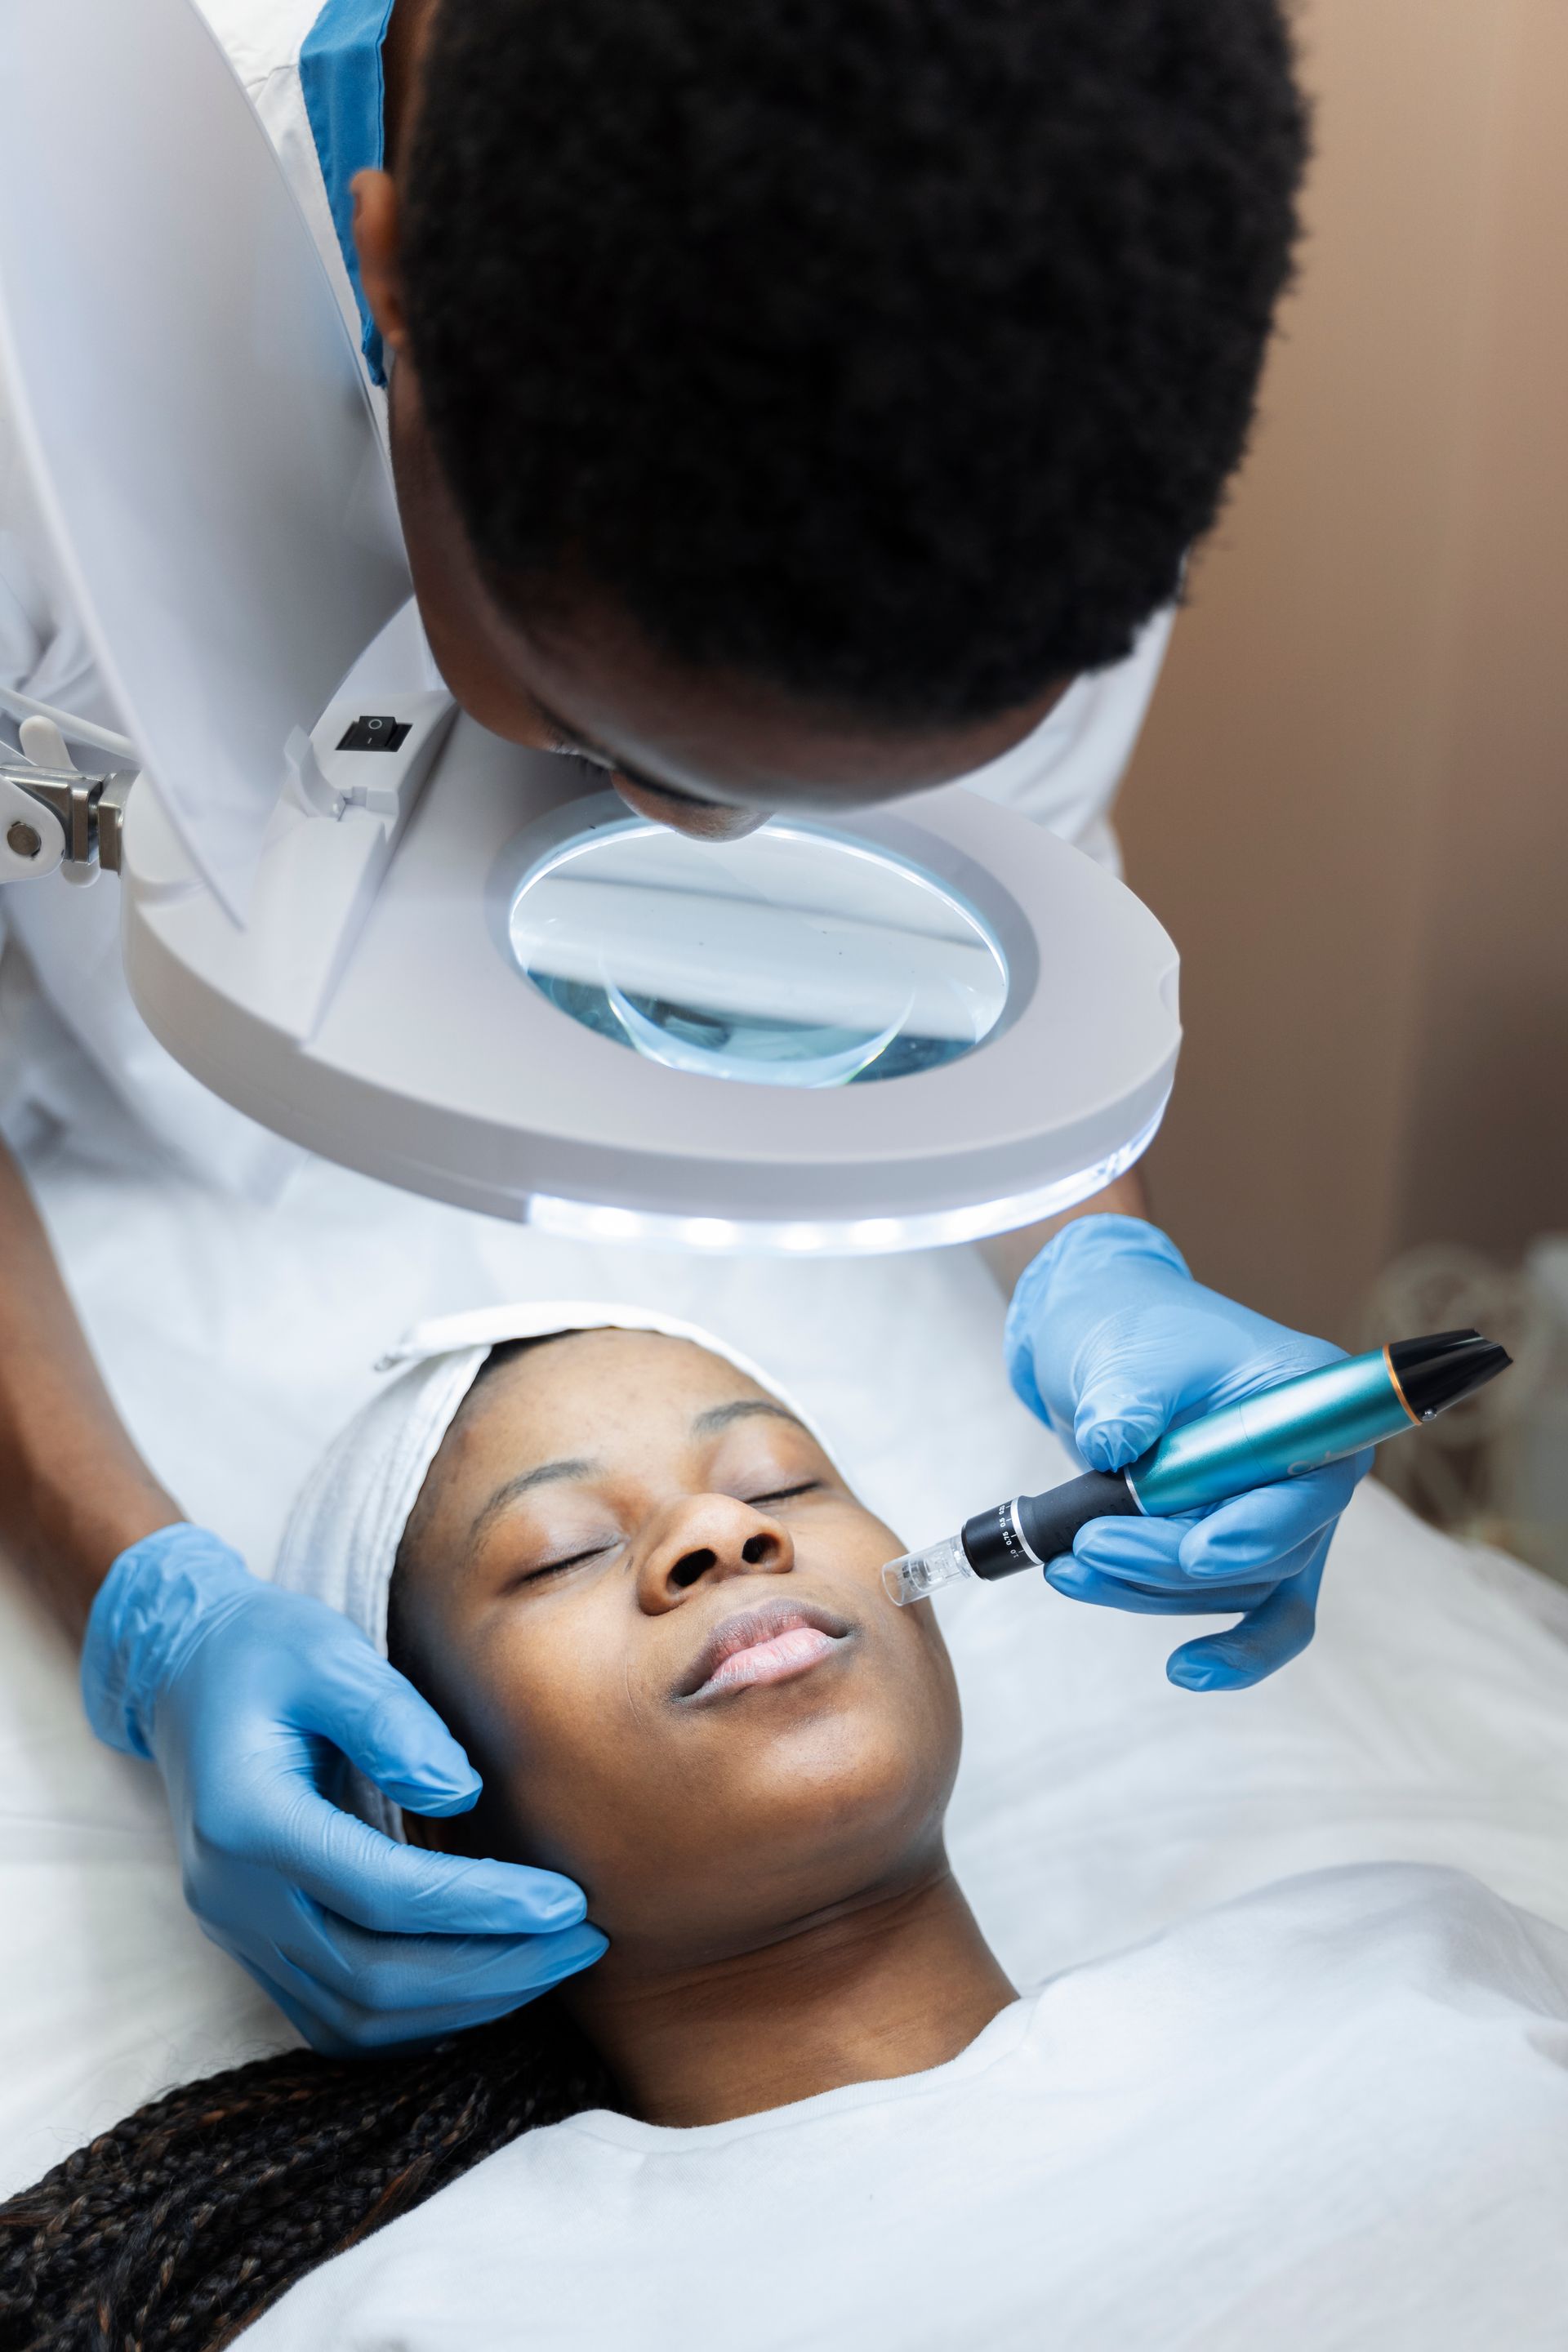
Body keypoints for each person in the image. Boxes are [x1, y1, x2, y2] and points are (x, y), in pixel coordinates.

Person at [0, 0, 1365, 2054]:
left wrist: (1100, 1253)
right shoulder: (44, 361)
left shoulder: (1055, 310)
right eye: (618, 736)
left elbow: (955, 954)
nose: (714, 838)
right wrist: (133, 1594)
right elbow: (53, 805)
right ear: (392, 277)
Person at [4, 1314, 1565, 2351]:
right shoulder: (452, 2308)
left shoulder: (1394, 1955)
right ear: (421, 1818)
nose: (723, 1531)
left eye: (783, 1482)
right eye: (559, 1554)